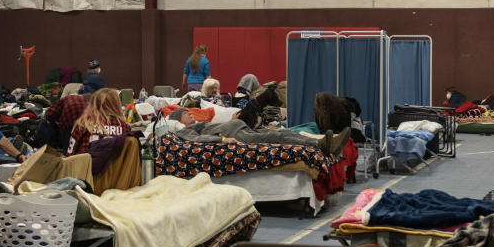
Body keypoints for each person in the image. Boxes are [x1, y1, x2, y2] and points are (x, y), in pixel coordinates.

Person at [170, 108, 350, 156]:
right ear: (178, 120)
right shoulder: (185, 131)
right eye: (186, 114)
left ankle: (328, 143)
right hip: (237, 135)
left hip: (240, 128)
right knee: (278, 136)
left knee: (284, 132)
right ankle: (321, 145)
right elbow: (199, 140)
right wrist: (224, 139)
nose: (190, 115)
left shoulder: (201, 123)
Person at [66, 88, 130, 155]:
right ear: (117, 104)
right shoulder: (124, 126)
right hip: (115, 164)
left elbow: (70, 154)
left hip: (87, 164)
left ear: (93, 104)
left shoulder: (83, 124)